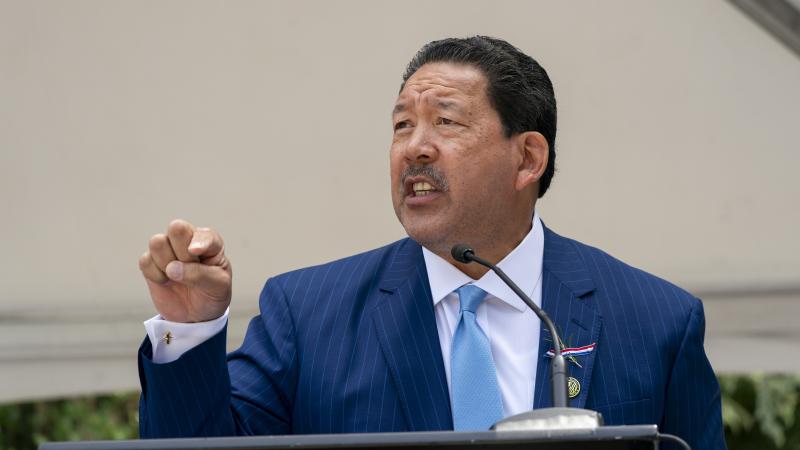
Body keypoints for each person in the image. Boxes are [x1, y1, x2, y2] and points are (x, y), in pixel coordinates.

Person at [137, 36, 726, 449]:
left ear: (527, 158)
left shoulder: (655, 322)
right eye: (401, 126)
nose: (414, 147)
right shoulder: (308, 315)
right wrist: (191, 330)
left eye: (446, 122)